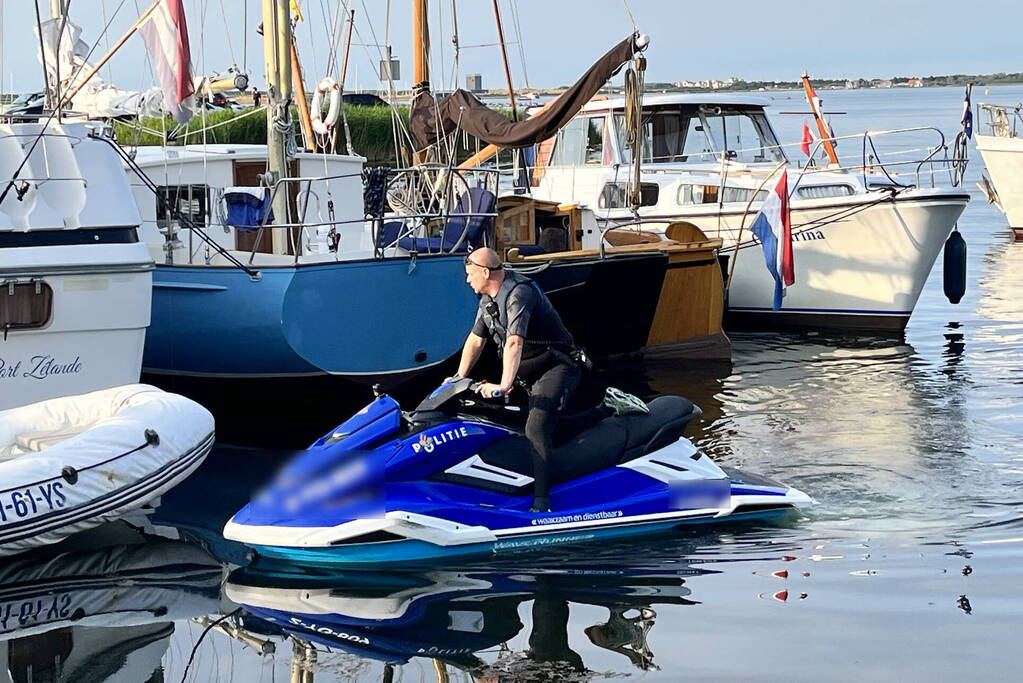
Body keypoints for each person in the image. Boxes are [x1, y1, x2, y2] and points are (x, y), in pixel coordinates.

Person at [454, 248, 646, 512]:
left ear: (486, 272)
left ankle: (542, 503)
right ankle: (609, 408)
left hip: (557, 366)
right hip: (529, 373)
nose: (467, 280)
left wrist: (503, 385)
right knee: (532, 424)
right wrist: (457, 378)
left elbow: (514, 342)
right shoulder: (487, 300)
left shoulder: (519, 293)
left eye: (469, 274)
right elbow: (476, 340)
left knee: (536, 430)